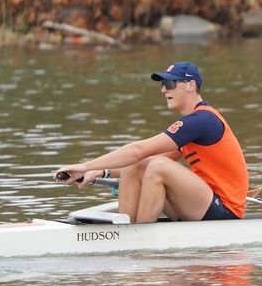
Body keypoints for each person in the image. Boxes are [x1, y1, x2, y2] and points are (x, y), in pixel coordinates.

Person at [54, 61, 249, 223]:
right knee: (138, 163)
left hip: (225, 211)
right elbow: (140, 159)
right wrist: (100, 171)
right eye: (163, 85)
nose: (164, 90)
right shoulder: (191, 125)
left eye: (170, 84)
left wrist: (84, 166)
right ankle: (124, 227)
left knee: (157, 166)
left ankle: (140, 239)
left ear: (190, 86)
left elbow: (139, 149)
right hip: (201, 203)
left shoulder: (202, 120)